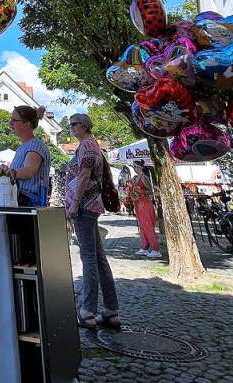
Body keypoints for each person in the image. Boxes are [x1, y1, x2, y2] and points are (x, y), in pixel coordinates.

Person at [66, 113, 120, 330]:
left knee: (88, 258)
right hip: (89, 205)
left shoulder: (87, 146)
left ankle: (88, 310)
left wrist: (74, 203)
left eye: (74, 124)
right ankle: (110, 309)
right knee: (98, 258)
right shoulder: (89, 145)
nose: (71, 128)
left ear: (85, 125)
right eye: (70, 125)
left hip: (85, 206)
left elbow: (85, 175)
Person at [0, 105, 51, 207]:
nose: (10, 123)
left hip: (30, 204)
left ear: (26, 124)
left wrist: (12, 172)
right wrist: (6, 172)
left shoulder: (35, 145)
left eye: (14, 120)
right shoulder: (23, 147)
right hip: (23, 202)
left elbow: (29, 171)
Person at [127, 161, 161, 258]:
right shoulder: (134, 178)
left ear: (141, 167)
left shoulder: (144, 178)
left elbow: (151, 191)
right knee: (142, 226)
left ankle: (156, 249)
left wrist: (140, 191)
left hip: (145, 203)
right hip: (138, 203)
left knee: (148, 226)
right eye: (134, 167)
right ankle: (145, 247)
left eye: (136, 166)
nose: (134, 168)